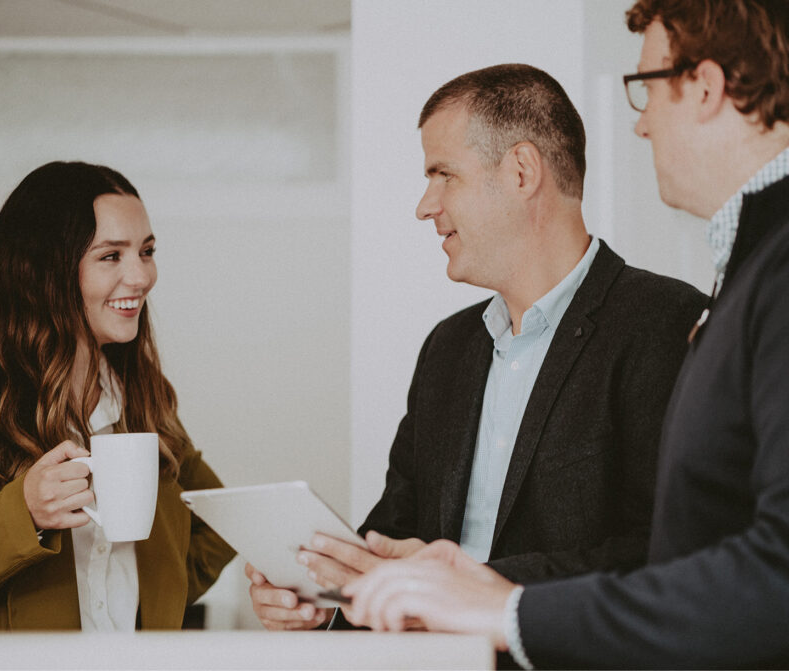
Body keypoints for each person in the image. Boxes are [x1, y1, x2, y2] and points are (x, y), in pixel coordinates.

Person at [344, 0, 789, 667]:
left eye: (646, 87)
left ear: (703, 86)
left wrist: (498, 599)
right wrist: (333, 585)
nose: (638, 125)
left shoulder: (698, 307)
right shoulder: (746, 273)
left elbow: (740, 563)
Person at [247, 64, 706, 630]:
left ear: (520, 171)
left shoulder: (666, 324)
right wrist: (327, 599)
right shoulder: (447, 348)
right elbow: (392, 534)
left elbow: (665, 553)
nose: (425, 204)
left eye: (444, 174)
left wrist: (472, 587)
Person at [0, 161, 235, 630]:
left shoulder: (140, 397)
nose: (141, 277)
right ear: (43, 271)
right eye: (111, 256)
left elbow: (220, 521)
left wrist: (159, 603)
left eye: (147, 251)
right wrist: (24, 514)